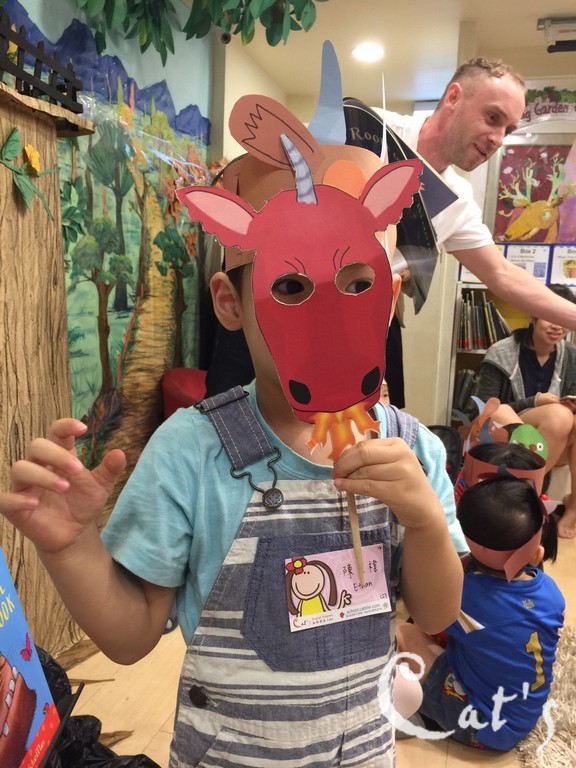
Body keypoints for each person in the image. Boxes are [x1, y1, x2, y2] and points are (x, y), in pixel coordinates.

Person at [0, 96, 464, 766]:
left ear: (388, 301)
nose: (325, 320)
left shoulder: (415, 449)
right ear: (230, 303)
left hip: (361, 751)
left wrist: (423, 522)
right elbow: (130, 637)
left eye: (357, 284)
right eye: (291, 288)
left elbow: (437, 614)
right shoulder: (191, 451)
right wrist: (71, 547)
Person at [206, 58, 576, 405]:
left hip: (360, 318)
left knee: (366, 429)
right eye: (492, 118)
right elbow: (267, 170)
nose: (497, 138)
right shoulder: (367, 129)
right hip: (283, 296)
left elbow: (502, 274)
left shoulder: (459, 202)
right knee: (230, 411)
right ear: (453, 97)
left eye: (508, 130)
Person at [397, 442, 565, 751]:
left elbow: (423, 614)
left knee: (402, 633)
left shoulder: (468, 597)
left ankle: (413, 713)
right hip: (522, 716)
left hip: (481, 725)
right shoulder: (551, 592)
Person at [475, 284, 576, 539]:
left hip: (557, 441)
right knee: (558, 415)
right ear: (533, 314)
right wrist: (535, 401)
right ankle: (531, 494)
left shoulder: (571, 356)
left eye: (563, 319)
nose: (557, 326)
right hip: (507, 431)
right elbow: (486, 408)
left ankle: (572, 507)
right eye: (549, 316)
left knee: (564, 416)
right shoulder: (502, 352)